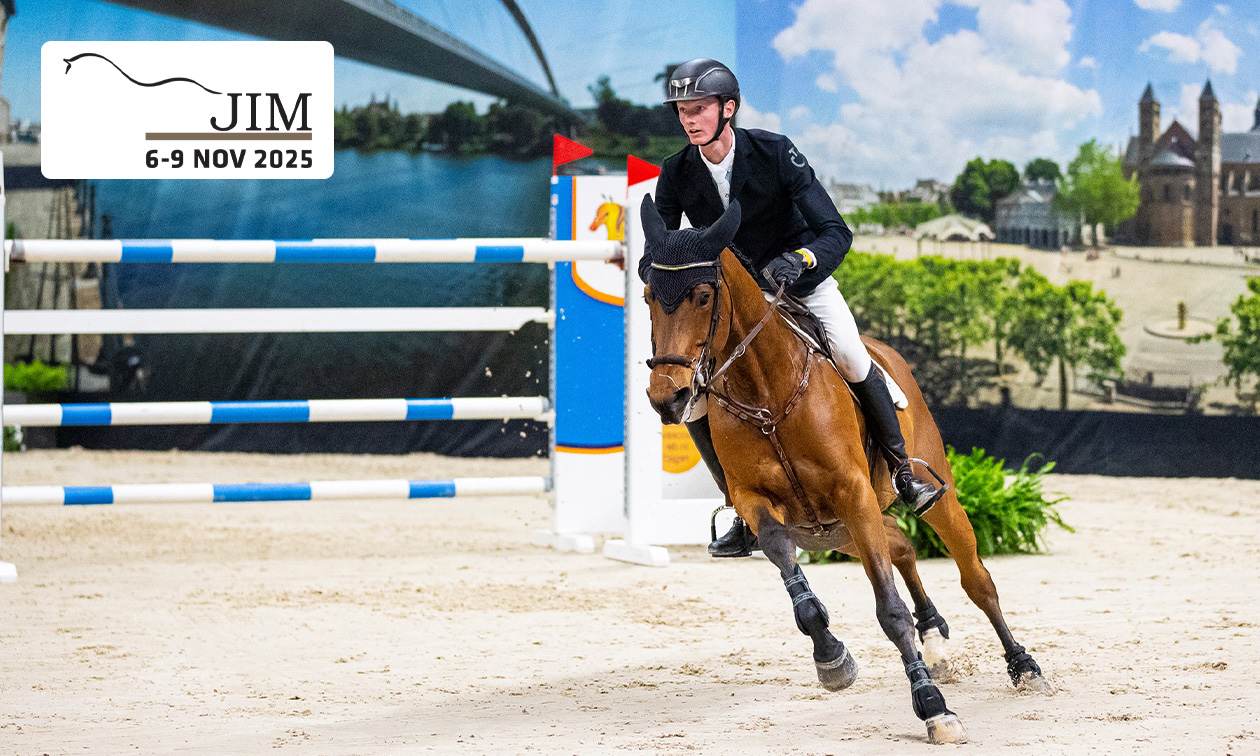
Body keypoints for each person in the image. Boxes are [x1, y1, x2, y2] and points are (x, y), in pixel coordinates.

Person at [646, 58, 947, 557]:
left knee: (851, 355)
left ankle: (901, 471)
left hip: (800, 283)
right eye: (682, 110)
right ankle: (739, 510)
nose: (688, 119)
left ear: (728, 109)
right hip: (734, 303)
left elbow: (836, 232)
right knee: (694, 396)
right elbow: (659, 242)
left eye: (698, 109)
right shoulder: (677, 172)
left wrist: (801, 259)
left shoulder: (774, 153)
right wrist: (655, 273)